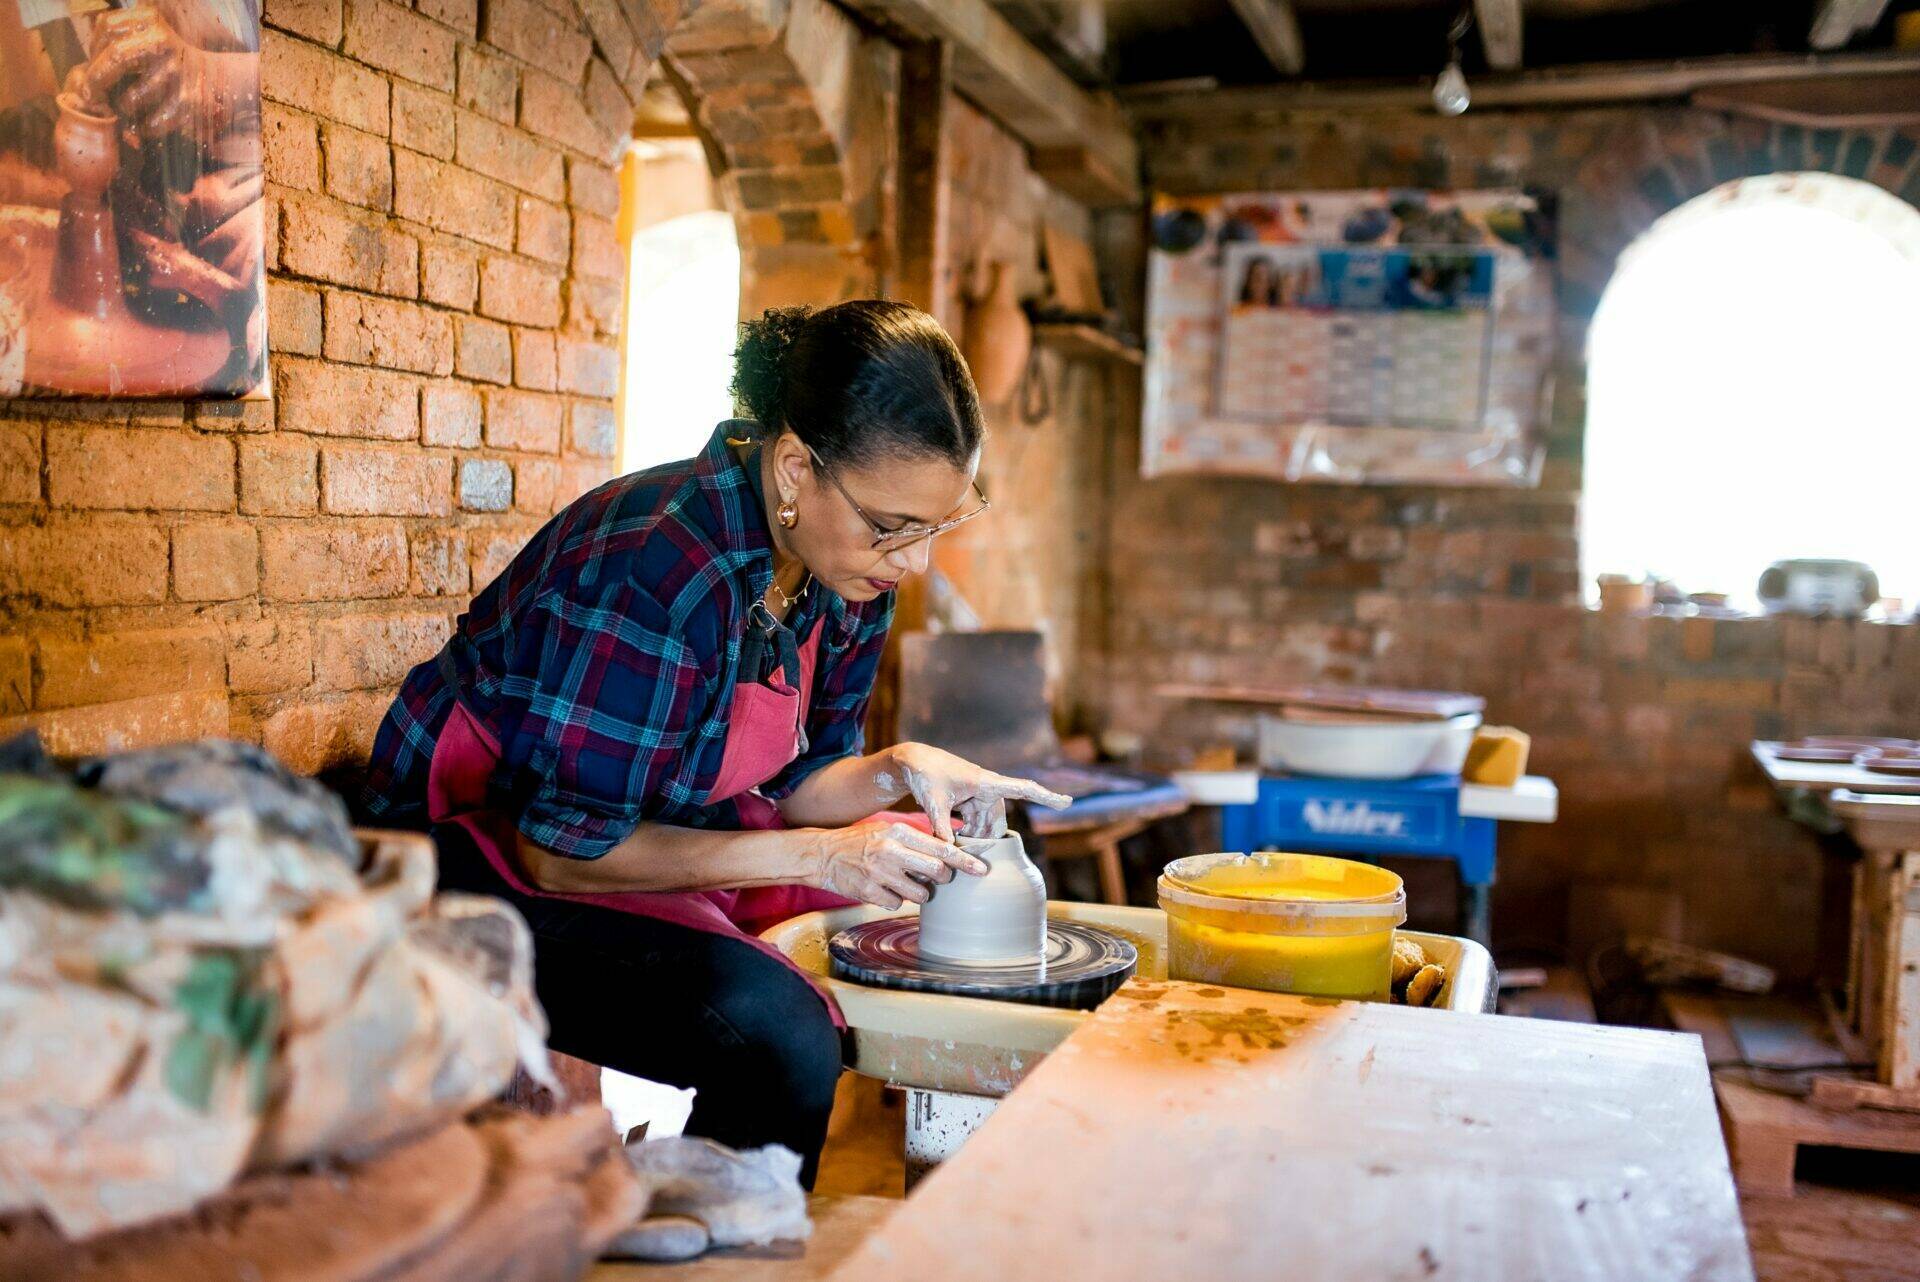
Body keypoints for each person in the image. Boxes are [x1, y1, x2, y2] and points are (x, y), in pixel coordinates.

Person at [362, 301, 1069, 1184]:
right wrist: (818, 856)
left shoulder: (846, 568)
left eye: (938, 526)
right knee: (777, 1040)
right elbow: (560, 854)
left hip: (656, 823)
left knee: (948, 870)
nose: (912, 563)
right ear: (795, 468)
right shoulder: (660, 570)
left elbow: (800, 780)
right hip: (474, 852)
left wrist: (894, 771)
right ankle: (727, 1233)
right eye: (893, 528)